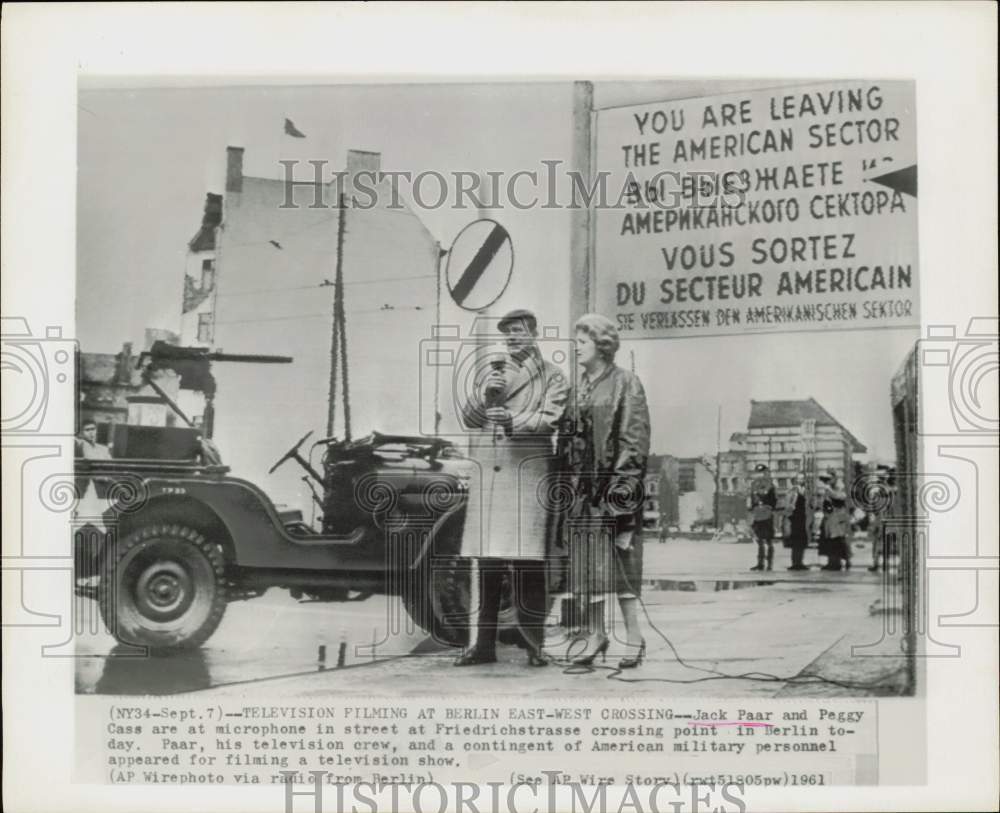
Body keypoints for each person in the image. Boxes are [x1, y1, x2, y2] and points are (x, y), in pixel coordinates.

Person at [454, 308, 569, 668]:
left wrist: (513, 418)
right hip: (490, 477)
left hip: (524, 477)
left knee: (529, 565)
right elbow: (469, 419)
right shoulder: (493, 373)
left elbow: (550, 420)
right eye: (508, 333)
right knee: (487, 565)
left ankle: (534, 646)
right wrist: (485, 398)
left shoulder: (553, 376)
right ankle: (483, 645)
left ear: (534, 334)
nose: (513, 338)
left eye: (519, 331)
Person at [562, 313, 651, 669]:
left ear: (601, 344)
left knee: (622, 566)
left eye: (581, 341)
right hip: (582, 496)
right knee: (588, 570)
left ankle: (634, 637)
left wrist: (620, 497)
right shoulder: (578, 386)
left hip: (613, 495)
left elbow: (634, 442)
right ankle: (596, 636)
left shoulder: (626, 383)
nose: (576, 348)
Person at [819, 470, 851, 571]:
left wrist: (829, 491)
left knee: (837, 540)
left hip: (838, 518)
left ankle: (838, 562)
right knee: (830, 541)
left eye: (829, 479)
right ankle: (832, 561)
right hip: (831, 517)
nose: (827, 481)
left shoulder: (839, 486)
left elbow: (840, 497)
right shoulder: (830, 488)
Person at [748, 463, 777, 571]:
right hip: (757, 515)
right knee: (759, 540)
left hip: (767, 515)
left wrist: (768, 508)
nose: (760, 475)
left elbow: (774, 501)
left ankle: (769, 564)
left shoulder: (770, 485)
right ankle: (760, 563)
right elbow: (752, 500)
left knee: (769, 541)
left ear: (766, 473)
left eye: (762, 472)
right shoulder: (754, 485)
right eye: (758, 472)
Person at [783, 472, 810, 570]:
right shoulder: (791, 491)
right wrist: (792, 504)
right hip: (794, 519)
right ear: (794, 480)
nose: (801, 481)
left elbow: (809, 504)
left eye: (802, 479)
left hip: (803, 518)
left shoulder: (805, 491)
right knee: (795, 542)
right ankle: (795, 563)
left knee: (802, 542)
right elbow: (787, 506)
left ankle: (800, 562)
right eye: (799, 479)